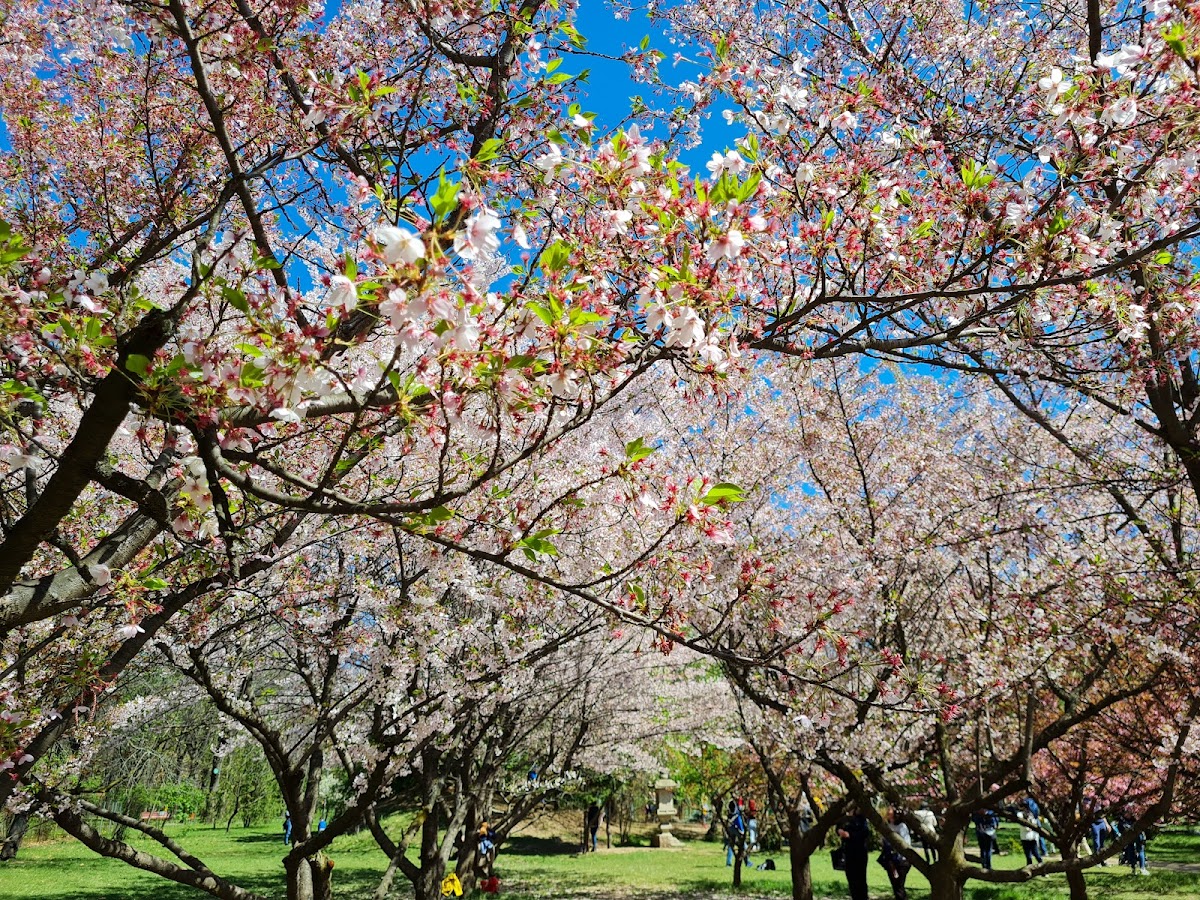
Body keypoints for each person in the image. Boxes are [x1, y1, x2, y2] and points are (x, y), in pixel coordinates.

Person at [837, 806, 871, 900]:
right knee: (851, 878)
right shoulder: (844, 817)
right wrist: (839, 831)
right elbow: (838, 826)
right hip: (848, 852)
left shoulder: (861, 819)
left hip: (859, 852)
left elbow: (865, 833)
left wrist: (850, 835)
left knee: (860, 879)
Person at [878, 808, 912, 900]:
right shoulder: (888, 825)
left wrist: (901, 857)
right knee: (895, 886)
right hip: (890, 860)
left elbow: (906, 843)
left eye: (890, 811)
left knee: (899, 886)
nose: (887, 812)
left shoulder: (902, 826)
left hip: (901, 861)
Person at [1017, 801, 1043, 865]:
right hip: (1025, 837)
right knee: (1028, 855)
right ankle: (1030, 867)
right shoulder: (1020, 814)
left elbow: (1034, 823)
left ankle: (1041, 865)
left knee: (1035, 853)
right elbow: (1023, 825)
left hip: (1031, 837)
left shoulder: (1030, 814)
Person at [724, 799, 746, 867]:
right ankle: (747, 861)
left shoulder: (730, 812)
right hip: (737, 829)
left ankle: (728, 862)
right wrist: (742, 831)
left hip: (730, 828)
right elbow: (739, 822)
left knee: (731, 845)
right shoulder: (737, 813)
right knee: (743, 845)